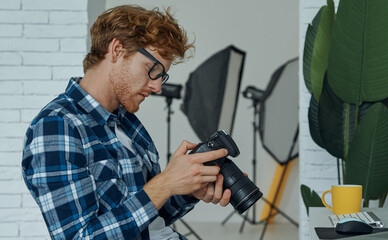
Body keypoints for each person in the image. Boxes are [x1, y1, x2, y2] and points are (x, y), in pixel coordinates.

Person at [22, 5, 231, 239]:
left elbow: (150, 218)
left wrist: (188, 190)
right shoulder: (57, 127)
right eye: (153, 70)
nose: (157, 86)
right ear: (117, 50)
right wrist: (165, 183)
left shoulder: (129, 124)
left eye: (162, 76)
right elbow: (80, 237)